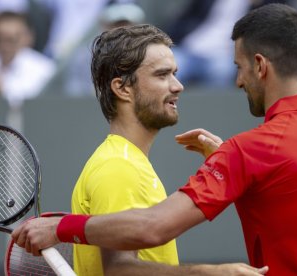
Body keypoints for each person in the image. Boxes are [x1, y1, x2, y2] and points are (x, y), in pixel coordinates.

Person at [12, 4, 297, 275]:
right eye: (163, 74)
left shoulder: (248, 153)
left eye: (239, 68)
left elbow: (152, 226)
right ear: (121, 89)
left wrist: (60, 228)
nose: (238, 81)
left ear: (260, 66)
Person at [18, 24, 268, 275]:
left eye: (175, 73)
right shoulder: (118, 167)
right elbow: (119, 270)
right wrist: (212, 273)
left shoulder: (126, 161)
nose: (178, 85)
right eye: (162, 75)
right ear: (122, 88)